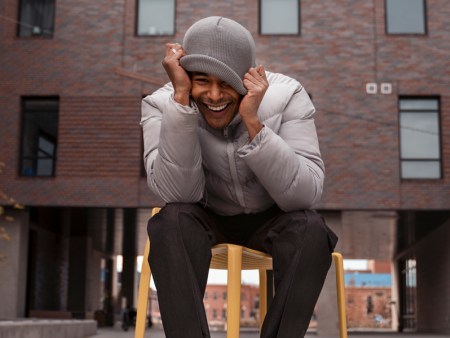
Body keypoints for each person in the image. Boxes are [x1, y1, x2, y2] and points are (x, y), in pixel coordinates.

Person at [140, 16, 338, 338]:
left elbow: (304, 195)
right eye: (202, 80)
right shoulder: (163, 103)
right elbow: (178, 193)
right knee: (170, 219)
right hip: (207, 218)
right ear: (187, 77)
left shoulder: (287, 95)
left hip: (271, 220)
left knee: (313, 229)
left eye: (226, 82)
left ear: (247, 79)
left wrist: (253, 123)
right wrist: (181, 104)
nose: (214, 96)